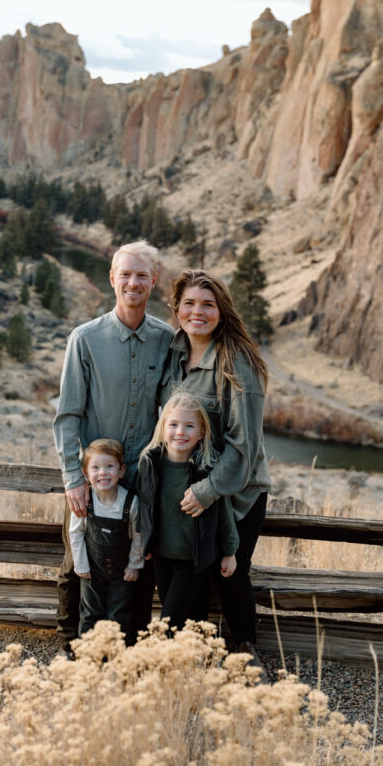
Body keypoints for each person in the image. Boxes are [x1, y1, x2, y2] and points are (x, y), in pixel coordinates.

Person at [53, 240, 174, 652]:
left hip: (142, 477)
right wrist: (74, 477)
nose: (133, 282)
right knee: (77, 561)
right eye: (125, 274)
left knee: (139, 562)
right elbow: (68, 415)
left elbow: (175, 411)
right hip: (94, 475)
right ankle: (71, 644)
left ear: (154, 281)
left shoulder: (166, 340)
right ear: (112, 279)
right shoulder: (85, 339)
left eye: (142, 275)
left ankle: (130, 645)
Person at [160, 269, 271, 669]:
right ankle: (192, 655)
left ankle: (245, 652)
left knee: (230, 572)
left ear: (221, 311)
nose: (197, 312)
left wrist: (208, 491)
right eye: (189, 303)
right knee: (190, 568)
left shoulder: (238, 362)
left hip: (237, 492)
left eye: (207, 304)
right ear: (176, 309)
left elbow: (246, 446)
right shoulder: (173, 353)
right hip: (187, 490)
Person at [138, 393, 238, 633]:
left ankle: (163, 664)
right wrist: (144, 544)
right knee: (188, 616)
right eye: (173, 424)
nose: (180, 432)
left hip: (193, 561)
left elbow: (224, 514)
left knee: (168, 622)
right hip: (161, 557)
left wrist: (230, 552)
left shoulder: (206, 470)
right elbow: (144, 507)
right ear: (163, 428)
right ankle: (192, 663)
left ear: (201, 433)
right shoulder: (150, 464)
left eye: (189, 426)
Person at [69, 438, 144, 638]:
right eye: (96, 468)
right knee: (90, 614)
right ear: (86, 474)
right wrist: (81, 565)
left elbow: (138, 536)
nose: (102, 472)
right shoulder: (85, 501)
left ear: (121, 471)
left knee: (118, 615)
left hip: (122, 573)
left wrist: (134, 565)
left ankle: (114, 659)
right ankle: (87, 658)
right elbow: (76, 534)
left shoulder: (130, 502)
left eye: (109, 466)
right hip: (92, 571)